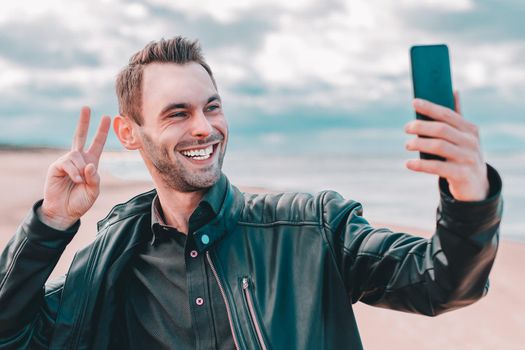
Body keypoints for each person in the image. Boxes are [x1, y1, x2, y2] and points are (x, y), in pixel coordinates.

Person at [0, 37, 502, 350]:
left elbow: (442, 282)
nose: (204, 128)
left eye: (212, 107)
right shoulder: (112, 261)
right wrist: (49, 225)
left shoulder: (312, 227)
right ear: (130, 134)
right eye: (178, 113)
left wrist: (468, 194)